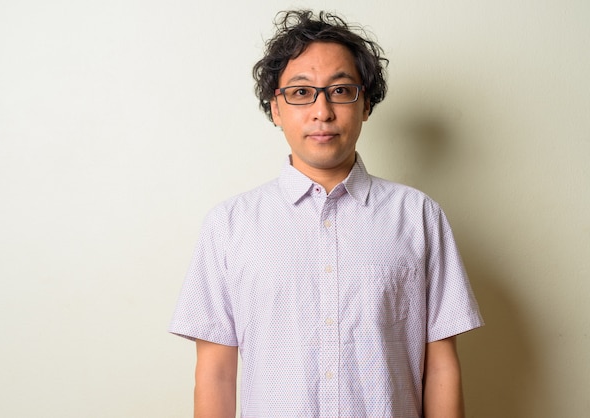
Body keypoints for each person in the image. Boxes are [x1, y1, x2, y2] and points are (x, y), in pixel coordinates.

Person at [170, 9, 483, 418]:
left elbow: (440, 366)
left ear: (366, 104)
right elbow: (216, 374)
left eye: (340, 91)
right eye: (301, 92)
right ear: (276, 108)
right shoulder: (229, 225)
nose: (322, 111)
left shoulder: (419, 217)